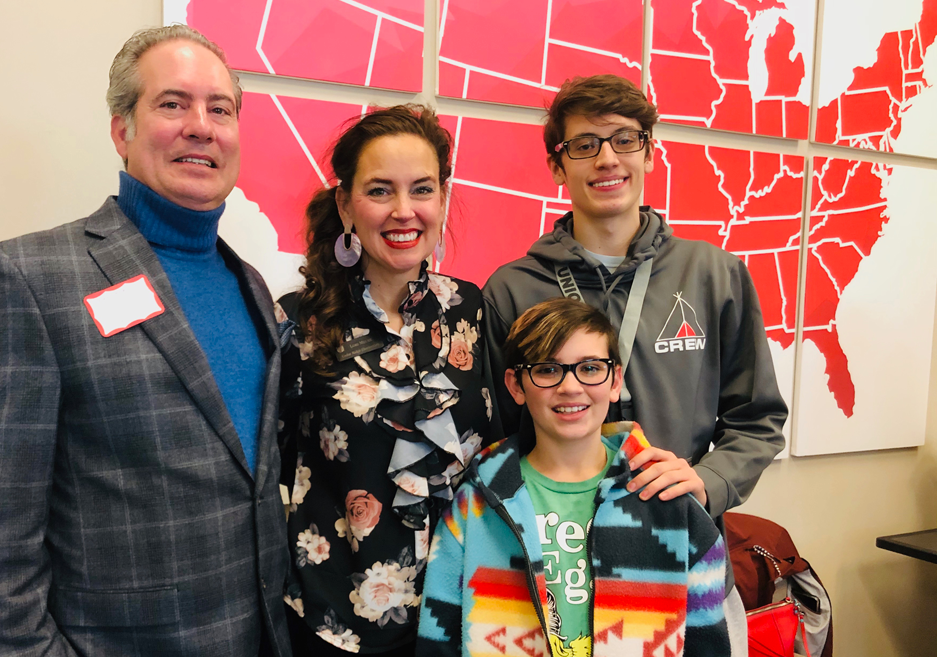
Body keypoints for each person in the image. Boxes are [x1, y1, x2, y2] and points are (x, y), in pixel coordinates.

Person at [0, 26, 290, 656]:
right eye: (172, 103)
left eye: (220, 109)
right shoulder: (29, 279)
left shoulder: (254, 289)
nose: (201, 125)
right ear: (121, 131)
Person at [481, 75, 786, 623]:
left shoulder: (714, 274)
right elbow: (504, 434)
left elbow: (758, 418)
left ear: (649, 153)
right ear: (558, 166)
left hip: (681, 551)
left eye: (625, 139)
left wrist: (710, 480)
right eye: (584, 145)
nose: (606, 159)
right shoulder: (512, 288)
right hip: (555, 563)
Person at [274, 105, 494, 655]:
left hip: (462, 615)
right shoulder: (296, 322)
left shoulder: (471, 308)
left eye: (421, 189)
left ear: (442, 198)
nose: (404, 211)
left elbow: (510, 446)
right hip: (334, 623)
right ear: (346, 204)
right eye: (380, 191)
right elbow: (263, 470)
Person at [417, 297, 732, 657]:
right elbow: (436, 638)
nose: (570, 387)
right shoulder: (476, 503)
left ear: (615, 380)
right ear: (517, 385)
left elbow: (708, 643)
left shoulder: (668, 500)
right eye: (548, 369)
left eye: (590, 368)